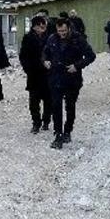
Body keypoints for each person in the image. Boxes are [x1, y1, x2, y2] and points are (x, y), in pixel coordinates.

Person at [43, 18, 96, 149]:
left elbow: (91, 56)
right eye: (60, 31)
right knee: (56, 107)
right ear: (56, 29)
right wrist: (45, 61)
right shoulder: (52, 38)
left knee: (70, 106)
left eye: (64, 31)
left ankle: (68, 130)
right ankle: (58, 134)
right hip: (55, 78)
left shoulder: (78, 39)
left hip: (72, 78)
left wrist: (77, 66)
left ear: (69, 28)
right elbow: (45, 52)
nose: (62, 33)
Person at [19, 16, 52, 133]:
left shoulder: (50, 37)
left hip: (48, 73)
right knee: (34, 101)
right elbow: (23, 55)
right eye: (40, 26)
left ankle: (46, 120)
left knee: (48, 100)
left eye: (44, 26)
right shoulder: (28, 38)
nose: (42, 28)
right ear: (34, 27)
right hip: (34, 73)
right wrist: (27, 68)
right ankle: (36, 122)